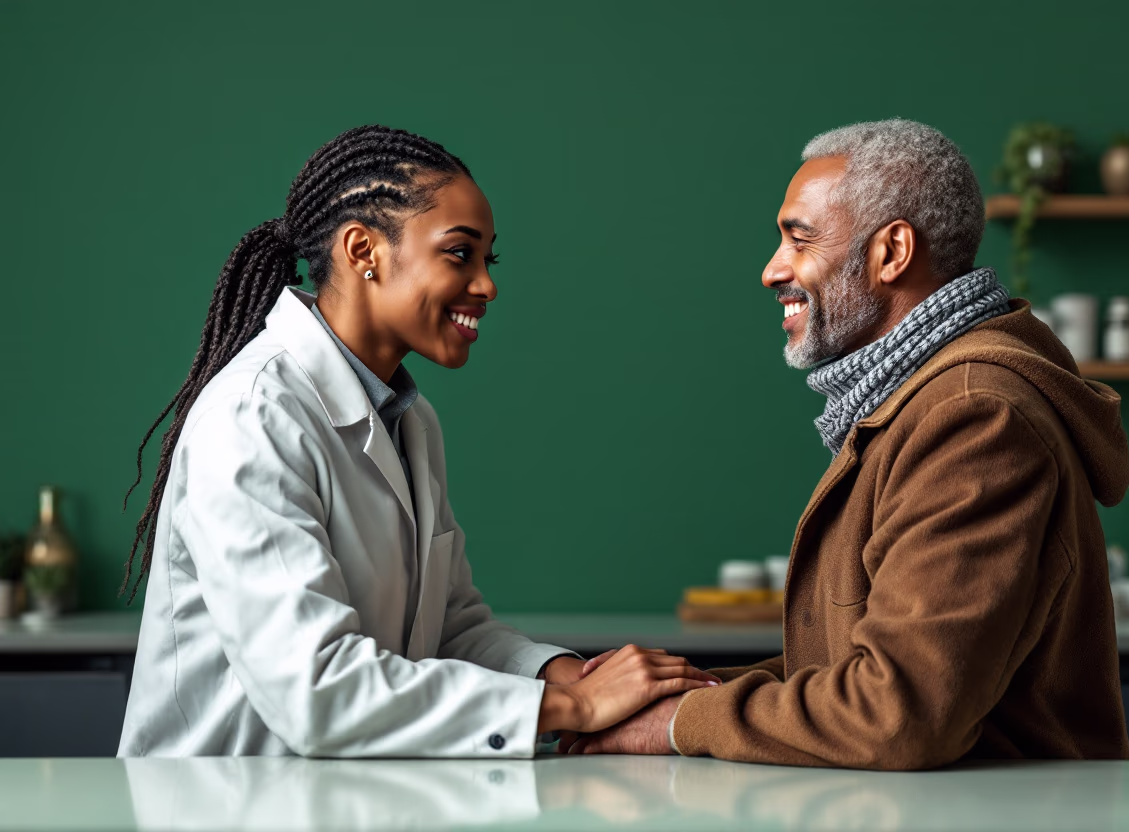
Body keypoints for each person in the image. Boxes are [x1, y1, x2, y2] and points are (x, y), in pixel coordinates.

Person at [118, 125, 717, 758]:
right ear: (364, 251)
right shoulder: (253, 416)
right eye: (460, 254)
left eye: (488, 261)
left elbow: (447, 629)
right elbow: (316, 692)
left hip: (340, 795)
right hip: (220, 799)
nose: (487, 285)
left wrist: (566, 674)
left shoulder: (409, 418)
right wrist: (576, 706)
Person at [570, 119, 1129, 767]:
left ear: (891, 252)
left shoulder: (973, 416)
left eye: (799, 238)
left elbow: (900, 713)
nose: (771, 270)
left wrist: (681, 720)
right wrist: (679, 696)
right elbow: (848, 666)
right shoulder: (920, 402)